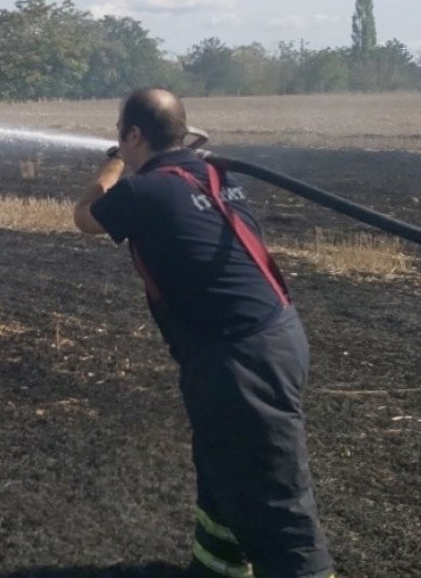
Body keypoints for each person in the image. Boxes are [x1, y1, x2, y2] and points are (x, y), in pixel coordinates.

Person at [73, 88, 335, 578]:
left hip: (239, 357)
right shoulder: (217, 173)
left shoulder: (141, 190)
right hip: (273, 336)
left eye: (120, 134)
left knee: (276, 497)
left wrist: (111, 165)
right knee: (222, 459)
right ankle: (216, 567)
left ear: (133, 134)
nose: (119, 142)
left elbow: (84, 217)